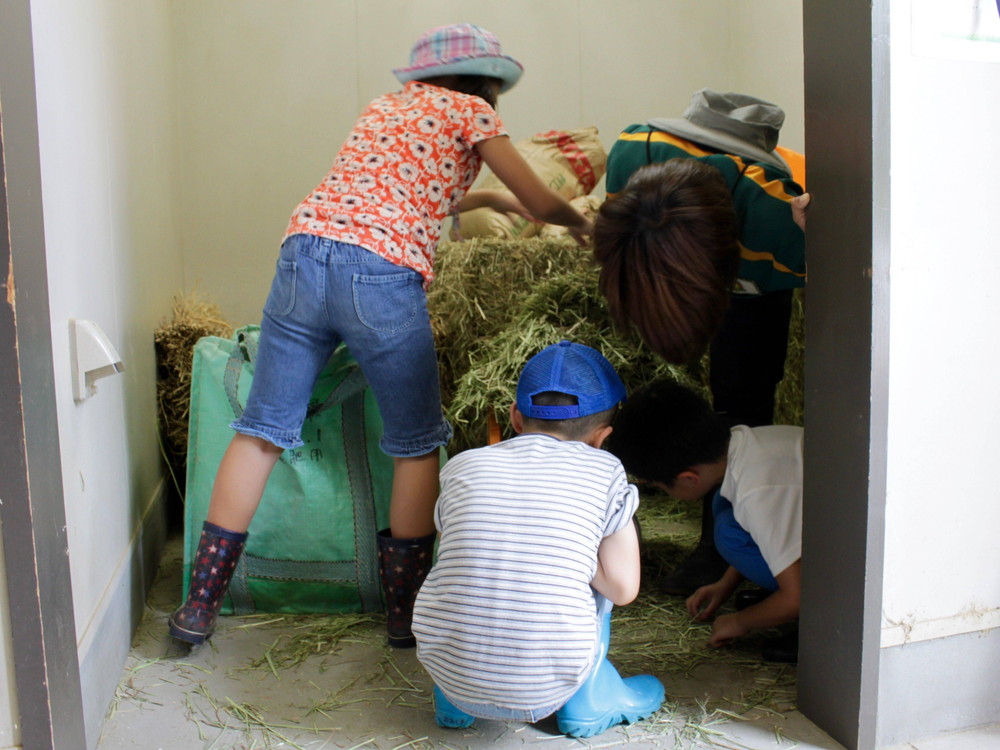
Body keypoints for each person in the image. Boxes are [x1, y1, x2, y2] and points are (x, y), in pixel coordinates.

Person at [168, 23, 594, 649]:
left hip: (302, 253)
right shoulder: (472, 111)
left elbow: (398, 190)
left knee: (261, 432)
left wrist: (486, 200)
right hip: (379, 273)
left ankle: (199, 604)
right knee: (415, 443)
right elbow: (539, 197)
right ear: (486, 81)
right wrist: (578, 223)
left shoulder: (385, 108)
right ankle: (406, 615)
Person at [593, 88, 810, 596]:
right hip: (701, 244)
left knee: (743, 386)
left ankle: (734, 540)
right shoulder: (634, 152)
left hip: (757, 273)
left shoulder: (783, 232)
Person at [412, 340, 664, 738]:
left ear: (515, 417)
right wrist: (571, 555)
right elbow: (623, 588)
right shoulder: (606, 472)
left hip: (448, 668)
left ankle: (453, 698)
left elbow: (451, 547)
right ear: (602, 437)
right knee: (589, 577)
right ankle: (588, 699)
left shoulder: (462, 466)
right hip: (544, 689)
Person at [607, 379, 802, 663]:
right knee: (724, 509)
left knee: (726, 532)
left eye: (660, 487)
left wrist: (741, 621)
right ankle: (777, 600)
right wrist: (725, 584)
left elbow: (798, 595)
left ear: (688, 478)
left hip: (852, 582)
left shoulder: (757, 492)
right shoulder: (746, 443)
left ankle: (816, 623)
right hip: (832, 541)